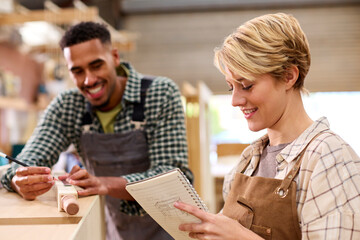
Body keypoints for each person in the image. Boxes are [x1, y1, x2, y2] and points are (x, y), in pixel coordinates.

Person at [174, 13, 360, 239]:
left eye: (247, 85)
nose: (235, 100)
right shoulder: (246, 162)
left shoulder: (328, 158)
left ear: (289, 76)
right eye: (231, 87)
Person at [1, 21, 193, 240]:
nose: (89, 80)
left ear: (115, 57)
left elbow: (172, 178)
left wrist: (104, 183)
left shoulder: (159, 94)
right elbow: (27, 159)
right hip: (115, 230)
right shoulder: (67, 106)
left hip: (172, 230)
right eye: (77, 71)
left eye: (96, 65)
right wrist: (18, 179)